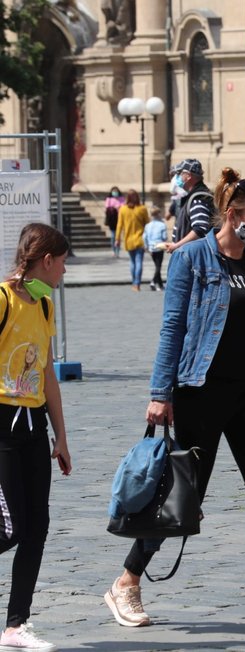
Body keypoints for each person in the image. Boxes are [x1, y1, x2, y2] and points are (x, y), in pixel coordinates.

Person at [104, 168, 245, 630]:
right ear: (232, 214)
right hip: (199, 392)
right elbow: (173, 327)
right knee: (183, 498)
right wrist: (159, 393)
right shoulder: (193, 259)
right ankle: (126, 582)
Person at [0, 223, 71, 652]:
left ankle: (14, 626)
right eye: (62, 263)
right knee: (10, 528)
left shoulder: (44, 309)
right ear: (46, 261)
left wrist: (61, 436)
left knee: (37, 527)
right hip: (1, 424)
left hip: (33, 426)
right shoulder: (3, 300)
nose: (64, 272)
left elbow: (47, 376)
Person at [166, 158, 214, 253]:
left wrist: (177, 245)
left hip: (193, 259)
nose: (177, 177)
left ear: (188, 176)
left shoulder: (198, 199)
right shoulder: (192, 196)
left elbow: (200, 229)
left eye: (179, 173)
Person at [115, 189, 149, 292]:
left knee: (132, 262)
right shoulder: (142, 209)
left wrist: (117, 239)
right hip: (140, 239)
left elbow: (119, 225)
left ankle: (134, 281)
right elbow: (147, 224)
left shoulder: (123, 209)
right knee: (139, 262)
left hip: (129, 240)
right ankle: (137, 284)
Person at [143, 206, 168, 292]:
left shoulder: (147, 225)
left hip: (151, 248)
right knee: (158, 266)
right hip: (159, 246)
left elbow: (144, 237)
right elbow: (164, 237)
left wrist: (146, 246)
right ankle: (153, 281)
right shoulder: (162, 225)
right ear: (158, 214)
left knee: (157, 265)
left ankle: (160, 285)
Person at [104, 186, 123, 258]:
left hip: (119, 219)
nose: (115, 193)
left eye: (116, 191)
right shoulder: (109, 199)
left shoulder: (121, 199)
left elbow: (123, 206)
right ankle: (113, 250)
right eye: (114, 191)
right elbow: (107, 206)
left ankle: (117, 251)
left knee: (118, 236)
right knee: (113, 235)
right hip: (112, 219)